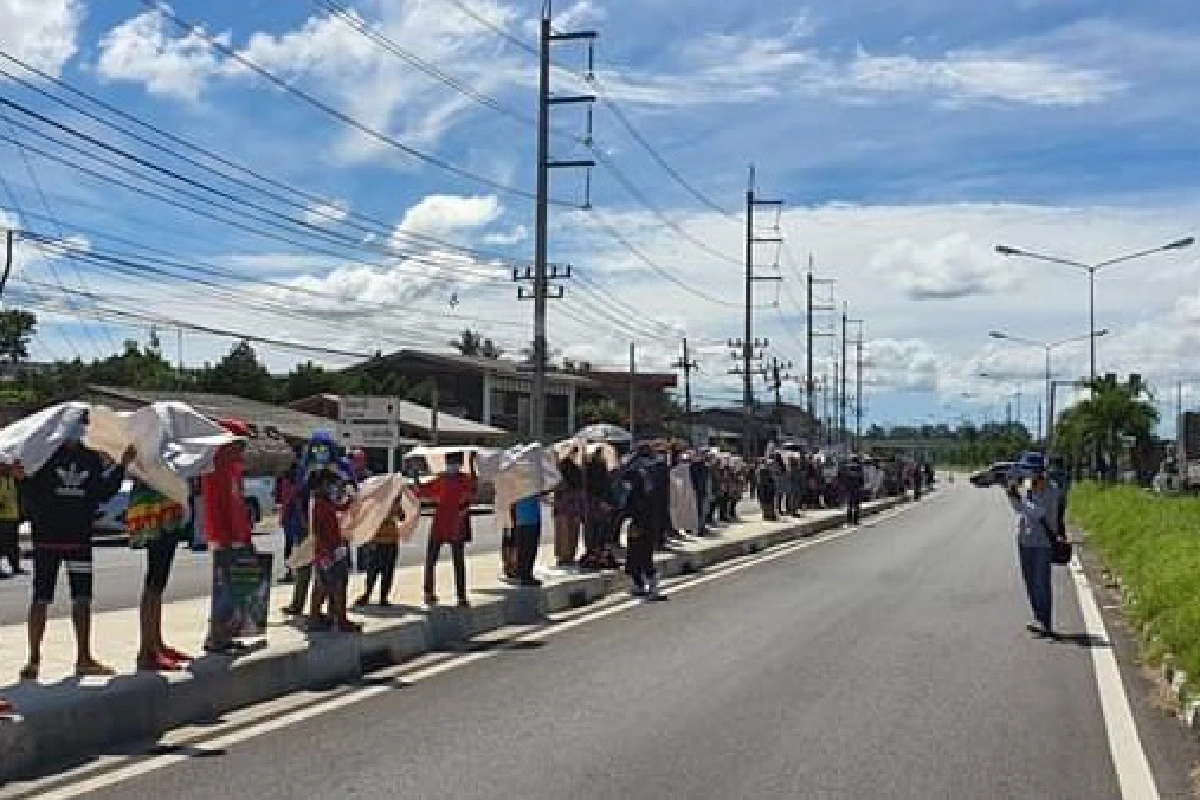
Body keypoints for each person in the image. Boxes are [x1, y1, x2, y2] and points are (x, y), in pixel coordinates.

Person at [19, 410, 135, 679]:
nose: (79, 429)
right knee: (41, 598)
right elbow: (30, 494)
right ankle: (33, 659)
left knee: (82, 598)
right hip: (47, 540)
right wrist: (20, 478)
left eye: (83, 424)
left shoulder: (90, 458)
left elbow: (102, 493)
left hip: (79, 539)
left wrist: (121, 467)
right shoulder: (43, 456)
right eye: (76, 424)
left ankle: (84, 658)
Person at [201, 419, 255, 654]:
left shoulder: (233, 468)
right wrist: (232, 537)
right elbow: (221, 507)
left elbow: (238, 506)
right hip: (224, 536)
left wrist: (245, 535)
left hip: (236, 535)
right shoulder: (216, 467)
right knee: (225, 589)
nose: (243, 449)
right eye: (239, 443)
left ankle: (225, 634)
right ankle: (217, 637)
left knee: (234, 589)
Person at [127, 480, 191, 671]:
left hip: (166, 502)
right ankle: (146, 650)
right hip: (154, 506)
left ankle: (156, 643)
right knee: (155, 579)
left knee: (159, 579)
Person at [416, 451, 476, 608]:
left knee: (444, 561)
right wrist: (415, 477)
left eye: (454, 462)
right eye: (450, 462)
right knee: (442, 561)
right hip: (447, 524)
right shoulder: (447, 479)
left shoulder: (457, 480)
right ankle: (435, 594)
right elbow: (422, 490)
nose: (452, 466)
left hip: (450, 525)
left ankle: (456, 596)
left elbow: (422, 491)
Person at [1006, 470, 1061, 637]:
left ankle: (1046, 622)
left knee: (1041, 583)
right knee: (1029, 581)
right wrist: (1012, 495)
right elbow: (1019, 509)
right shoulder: (1028, 486)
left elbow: (1040, 512)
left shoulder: (1052, 489)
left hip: (1043, 542)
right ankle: (1039, 618)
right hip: (1025, 540)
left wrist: (1020, 500)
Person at [307, 468, 359, 633]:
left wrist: (349, 500)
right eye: (332, 484)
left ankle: (318, 618)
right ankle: (340, 621)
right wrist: (328, 553)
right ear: (323, 484)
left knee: (323, 586)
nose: (333, 488)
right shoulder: (319, 505)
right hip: (328, 552)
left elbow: (340, 507)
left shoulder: (323, 501)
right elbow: (318, 532)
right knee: (337, 586)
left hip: (330, 551)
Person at [618, 452, 665, 601]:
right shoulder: (650, 475)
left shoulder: (636, 476)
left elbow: (629, 500)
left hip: (641, 520)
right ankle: (643, 585)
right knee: (639, 555)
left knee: (640, 555)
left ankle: (650, 586)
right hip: (647, 520)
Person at [356, 495, 407, 607]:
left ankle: (380, 597)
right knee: (374, 570)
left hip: (388, 540)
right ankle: (371, 595)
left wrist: (397, 504)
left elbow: (402, 516)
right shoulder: (375, 503)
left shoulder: (392, 501)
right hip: (378, 541)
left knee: (384, 571)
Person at [553, 449, 584, 568]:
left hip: (564, 505)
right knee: (570, 532)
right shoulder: (572, 469)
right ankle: (567, 556)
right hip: (570, 505)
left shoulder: (561, 468)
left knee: (564, 532)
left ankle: (564, 556)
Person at [510, 492, 544, 587]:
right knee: (530, 548)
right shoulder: (532, 482)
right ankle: (526, 575)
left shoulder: (516, 481)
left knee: (521, 548)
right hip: (531, 517)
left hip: (520, 517)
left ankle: (521, 573)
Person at [0, 463, 24, 577]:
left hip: (12, 516)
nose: (8, 468)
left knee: (13, 544)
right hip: (2, 517)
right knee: (2, 544)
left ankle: (16, 566)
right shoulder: (2, 479)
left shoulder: (11, 480)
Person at [840, 457, 864, 525]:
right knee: (856, 506)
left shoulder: (847, 468)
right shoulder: (859, 469)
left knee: (849, 506)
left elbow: (844, 479)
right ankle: (855, 521)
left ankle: (849, 521)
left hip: (849, 490)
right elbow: (861, 480)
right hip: (856, 489)